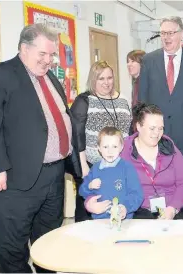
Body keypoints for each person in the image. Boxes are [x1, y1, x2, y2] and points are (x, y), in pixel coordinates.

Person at [0, 23, 81, 273]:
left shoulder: (48, 76)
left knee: (48, 242)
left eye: (51, 55)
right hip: (15, 179)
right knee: (13, 248)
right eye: (43, 54)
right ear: (24, 49)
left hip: (54, 175)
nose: (48, 60)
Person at [84, 103, 183, 220]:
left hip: (171, 209)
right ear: (139, 127)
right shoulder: (122, 149)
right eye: (152, 128)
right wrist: (89, 202)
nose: (157, 133)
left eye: (160, 128)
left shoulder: (169, 147)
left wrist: (173, 208)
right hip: (138, 210)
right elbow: (101, 179)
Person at [71, 60, 133, 222]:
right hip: (94, 165)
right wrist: (84, 166)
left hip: (120, 163)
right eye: (101, 79)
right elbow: (77, 134)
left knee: (117, 204)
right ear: (93, 80)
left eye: (109, 78)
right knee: (90, 207)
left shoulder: (123, 99)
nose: (106, 83)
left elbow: (129, 130)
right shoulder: (85, 101)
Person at [138, 16, 183, 153]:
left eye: (171, 33)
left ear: (182, 34)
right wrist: (143, 128)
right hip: (155, 134)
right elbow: (142, 99)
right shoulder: (148, 60)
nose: (166, 37)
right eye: (163, 33)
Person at [79, 127, 143, 220]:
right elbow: (82, 192)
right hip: (99, 220)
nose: (110, 151)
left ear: (121, 147)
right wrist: (89, 186)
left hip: (123, 220)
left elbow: (137, 194)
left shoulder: (127, 168)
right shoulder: (95, 169)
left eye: (114, 147)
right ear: (99, 148)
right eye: (105, 147)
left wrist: (125, 207)